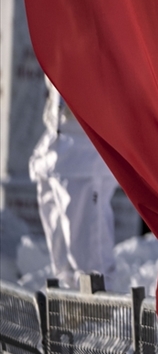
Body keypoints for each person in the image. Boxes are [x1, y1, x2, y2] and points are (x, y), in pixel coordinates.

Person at [29, 78, 119, 287]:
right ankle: (69, 314)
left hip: (85, 149)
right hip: (56, 142)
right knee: (62, 262)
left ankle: (97, 317)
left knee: (91, 264)